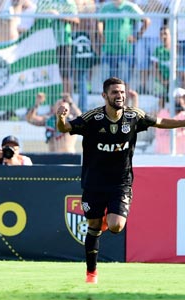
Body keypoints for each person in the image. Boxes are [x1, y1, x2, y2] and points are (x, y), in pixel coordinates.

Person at [56, 77, 185, 284]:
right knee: (94, 226)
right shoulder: (93, 118)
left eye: (122, 92)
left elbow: (160, 122)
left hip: (120, 182)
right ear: (105, 95)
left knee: (116, 226)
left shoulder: (134, 116)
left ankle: (107, 220)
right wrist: (60, 119)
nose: (120, 96)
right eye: (115, 92)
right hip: (94, 182)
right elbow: (65, 129)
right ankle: (91, 273)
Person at [97, 0, 150, 89]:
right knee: (107, 82)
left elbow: (146, 21)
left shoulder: (130, 7)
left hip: (125, 51)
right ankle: (110, 103)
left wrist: (136, 37)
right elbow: (99, 22)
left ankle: (124, 103)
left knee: (124, 82)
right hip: (108, 50)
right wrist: (101, 35)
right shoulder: (106, 7)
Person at [36, 0, 79, 95]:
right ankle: (50, 105)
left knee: (65, 75)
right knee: (47, 74)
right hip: (46, 44)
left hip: (63, 43)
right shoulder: (43, 2)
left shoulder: (68, 2)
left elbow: (76, 20)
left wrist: (58, 15)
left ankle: (67, 102)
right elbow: (35, 19)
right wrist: (46, 14)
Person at [155, 87, 185, 154]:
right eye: (177, 98)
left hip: (182, 154)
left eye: (182, 98)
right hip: (161, 154)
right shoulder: (162, 113)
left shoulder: (183, 115)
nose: (180, 100)